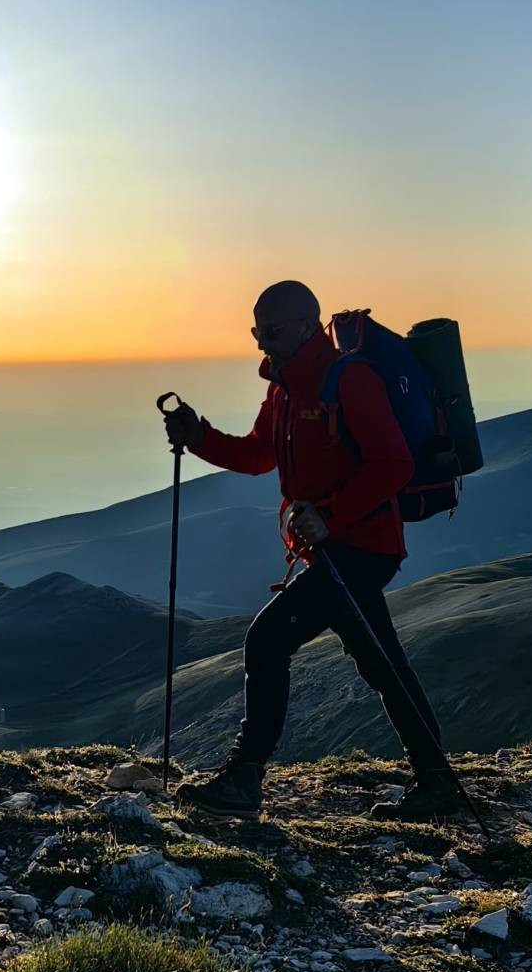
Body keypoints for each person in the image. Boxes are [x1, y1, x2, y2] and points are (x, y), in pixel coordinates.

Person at [161, 279, 463, 823]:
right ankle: (437, 779)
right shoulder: (285, 389)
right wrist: (198, 435)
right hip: (334, 550)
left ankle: (245, 777)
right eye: (256, 331)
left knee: (267, 639)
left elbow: (394, 464)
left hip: (363, 548)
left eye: (270, 330)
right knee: (381, 662)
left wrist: (330, 516)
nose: (261, 343)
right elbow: (258, 456)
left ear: (306, 324)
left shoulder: (351, 380)